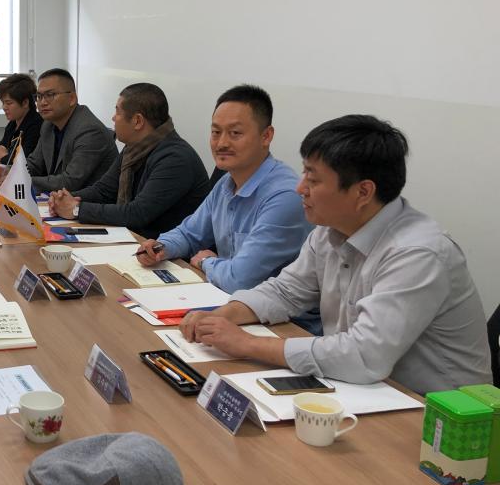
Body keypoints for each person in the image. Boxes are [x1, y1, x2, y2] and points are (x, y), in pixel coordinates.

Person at [179, 115, 491, 395]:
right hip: (361, 390)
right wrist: (224, 315)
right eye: (304, 173)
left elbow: (364, 355)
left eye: (313, 179)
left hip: (436, 415)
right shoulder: (330, 231)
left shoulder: (417, 253)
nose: (300, 188)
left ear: (363, 192)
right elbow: (285, 291)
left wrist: (247, 344)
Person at [135, 84, 311, 293]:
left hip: (277, 312)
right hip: (230, 299)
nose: (222, 143)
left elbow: (240, 280)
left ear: (266, 136)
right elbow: (190, 233)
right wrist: (161, 247)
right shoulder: (227, 183)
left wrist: (206, 262)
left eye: (235, 133)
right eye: (216, 132)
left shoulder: (284, 196)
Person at [48, 83, 208, 239]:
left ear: (137, 121)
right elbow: (104, 190)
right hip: (136, 240)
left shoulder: (175, 158)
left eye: (117, 112)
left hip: (165, 249)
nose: (113, 118)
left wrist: (77, 209)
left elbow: (137, 213)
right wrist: (63, 199)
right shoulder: (133, 148)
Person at [20, 68, 118, 193]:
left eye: (50, 95)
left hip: (87, 202)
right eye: (39, 96)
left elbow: (69, 182)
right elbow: (34, 165)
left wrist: (21, 182)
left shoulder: (90, 131)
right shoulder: (48, 125)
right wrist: (8, 173)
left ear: (72, 98)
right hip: (58, 199)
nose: (42, 102)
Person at [0, 73, 43, 163]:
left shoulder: (37, 125)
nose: (4, 107)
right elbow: (2, 146)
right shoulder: (13, 124)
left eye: (9, 103)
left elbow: (25, 161)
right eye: (3, 103)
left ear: (25, 103)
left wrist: (3, 157)